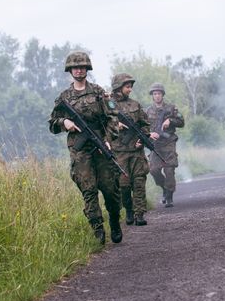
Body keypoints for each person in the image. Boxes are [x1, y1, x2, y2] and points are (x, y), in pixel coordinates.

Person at [49, 51, 122, 245]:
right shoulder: (64, 97)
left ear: (87, 69)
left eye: (82, 66)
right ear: (70, 70)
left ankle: (114, 221)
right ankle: (98, 230)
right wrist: (64, 122)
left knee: (110, 189)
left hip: (101, 146)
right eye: (75, 67)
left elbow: (113, 118)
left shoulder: (99, 92)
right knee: (88, 190)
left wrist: (107, 139)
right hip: (80, 151)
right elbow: (52, 123)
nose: (79, 69)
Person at [110, 73, 150, 226]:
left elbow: (145, 124)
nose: (130, 89)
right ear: (119, 87)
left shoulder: (135, 105)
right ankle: (129, 209)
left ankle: (140, 214)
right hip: (119, 153)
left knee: (139, 182)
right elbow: (101, 124)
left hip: (136, 152)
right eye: (127, 87)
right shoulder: (108, 105)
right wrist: (115, 125)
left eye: (131, 87)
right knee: (124, 186)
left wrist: (143, 138)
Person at [146, 83, 185, 207]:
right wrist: (150, 133)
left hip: (168, 142)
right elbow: (143, 126)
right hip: (155, 144)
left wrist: (170, 120)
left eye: (159, 93)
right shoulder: (147, 111)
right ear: (152, 96)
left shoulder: (171, 108)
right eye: (155, 94)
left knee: (169, 169)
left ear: (162, 95)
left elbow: (181, 122)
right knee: (153, 170)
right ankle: (164, 188)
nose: (157, 96)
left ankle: (169, 196)